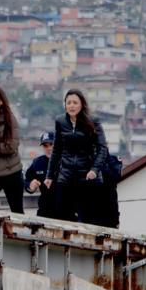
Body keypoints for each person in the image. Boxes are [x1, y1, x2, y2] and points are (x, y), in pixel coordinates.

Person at [44, 89, 108, 224]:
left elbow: (102, 148)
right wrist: (49, 176)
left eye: (75, 103)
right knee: (62, 216)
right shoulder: (60, 121)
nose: (71, 106)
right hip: (66, 175)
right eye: (68, 103)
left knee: (88, 218)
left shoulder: (93, 121)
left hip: (87, 176)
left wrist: (94, 170)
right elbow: (56, 150)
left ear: (81, 105)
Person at [24, 131, 58, 219]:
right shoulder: (37, 163)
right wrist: (30, 186)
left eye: (51, 144)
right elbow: (27, 181)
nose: (49, 148)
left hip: (67, 209)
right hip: (45, 210)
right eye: (45, 146)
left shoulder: (67, 161)